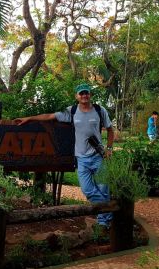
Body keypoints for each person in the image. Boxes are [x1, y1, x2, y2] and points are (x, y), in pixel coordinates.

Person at [15, 83, 114, 229]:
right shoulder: (72, 111)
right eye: (81, 93)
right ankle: (110, 209)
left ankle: (104, 222)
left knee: (103, 188)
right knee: (88, 190)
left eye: (86, 93)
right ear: (77, 96)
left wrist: (109, 148)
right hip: (81, 159)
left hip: (98, 157)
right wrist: (30, 118)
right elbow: (50, 116)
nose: (84, 95)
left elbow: (111, 130)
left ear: (90, 94)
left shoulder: (100, 110)